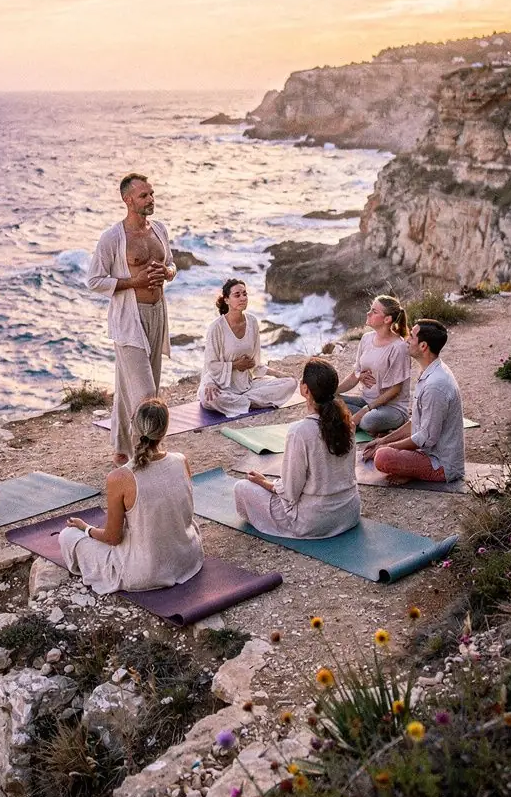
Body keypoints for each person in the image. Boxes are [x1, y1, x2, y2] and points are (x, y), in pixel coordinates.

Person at [59, 397, 204, 594]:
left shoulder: (120, 477)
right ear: (164, 430)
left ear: (133, 428)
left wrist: (86, 528)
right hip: (189, 558)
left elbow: (113, 538)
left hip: (147, 572)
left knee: (68, 535)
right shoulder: (181, 460)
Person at [87, 174, 177, 464]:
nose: (151, 199)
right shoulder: (113, 238)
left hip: (157, 314)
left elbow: (171, 264)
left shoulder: (159, 229)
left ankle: (120, 449)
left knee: (133, 387)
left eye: (151, 194)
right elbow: (94, 280)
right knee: (146, 393)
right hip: (129, 319)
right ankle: (145, 452)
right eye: (144, 196)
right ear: (128, 200)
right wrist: (133, 281)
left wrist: (168, 273)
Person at [233, 358, 360, 539]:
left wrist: (265, 483)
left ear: (305, 389)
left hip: (316, 521)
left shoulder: (300, 431)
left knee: (242, 487)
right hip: (349, 512)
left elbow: (290, 492)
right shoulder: (348, 424)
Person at [362, 320, 465, 483]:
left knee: (382, 456)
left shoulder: (435, 385)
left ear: (423, 346)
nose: (407, 340)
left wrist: (388, 447)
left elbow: (426, 438)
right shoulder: (430, 371)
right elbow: (416, 423)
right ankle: (407, 468)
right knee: (381, 448)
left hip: (441, 465)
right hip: (426, 452)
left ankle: (411, 472)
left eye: (411, 336)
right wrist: (383, 441)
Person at [199, 278, 296, 417]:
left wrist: (279, 374)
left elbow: (255, 364)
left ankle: (241, 402)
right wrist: (233, 366)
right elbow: (211, 365)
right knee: (209, 398)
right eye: (237, 295)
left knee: (290, 383)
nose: (243, 298)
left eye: (245, 294)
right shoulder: (216, 327)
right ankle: (251, 401)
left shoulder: (252, 322)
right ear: (226, 300)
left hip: (246, 386)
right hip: (220, 386)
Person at [335, 294, 411, 436]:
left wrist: (366, 410)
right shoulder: (366, 339)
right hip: (366, 401)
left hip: (392, 408)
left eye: (374, 311)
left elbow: (396, 389)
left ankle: (355, 420)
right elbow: (355, 374)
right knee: (328, 400)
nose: (368, 313)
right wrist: (333, 392)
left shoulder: (399, 347)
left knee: (368, 421)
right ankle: (354, 420)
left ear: (387, 319)